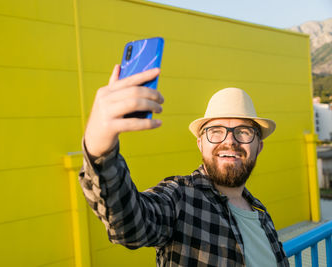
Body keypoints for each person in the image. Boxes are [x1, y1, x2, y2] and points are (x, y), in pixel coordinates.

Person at [79, 65, 289, 266]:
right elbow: (130, 224)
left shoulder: (261, 213)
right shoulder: (180, 198)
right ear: (200, 143)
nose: (230, 141)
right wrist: (99, 147)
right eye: (216, 131)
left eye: (244, 132)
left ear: (259, 147)